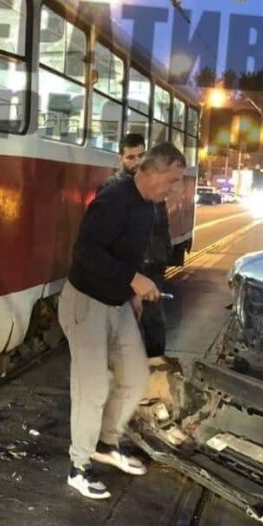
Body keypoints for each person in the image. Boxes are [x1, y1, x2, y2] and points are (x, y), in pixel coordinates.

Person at [59, 143, 187, 499]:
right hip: (86, 302)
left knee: (135, 376)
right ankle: (78, 466)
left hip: (116, 303)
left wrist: (131, 293)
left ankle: (106, 443)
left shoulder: (148, 206)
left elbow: (128, 254)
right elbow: (85, 253)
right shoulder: (114, 199)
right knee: (93, 387)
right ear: (153, 171)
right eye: (173, 180)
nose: (175, 188)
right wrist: (134, 280)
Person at [99, 133, 173, 359]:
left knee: (153, 319)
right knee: (121, 320)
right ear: (120, 158)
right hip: (124, 267)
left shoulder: (154, 186)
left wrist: (161, 257)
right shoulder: (111, 188)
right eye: (131, 157)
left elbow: (161, 226)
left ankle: (156, 368)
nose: (137, 162)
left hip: (151, 264)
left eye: (141, 155)